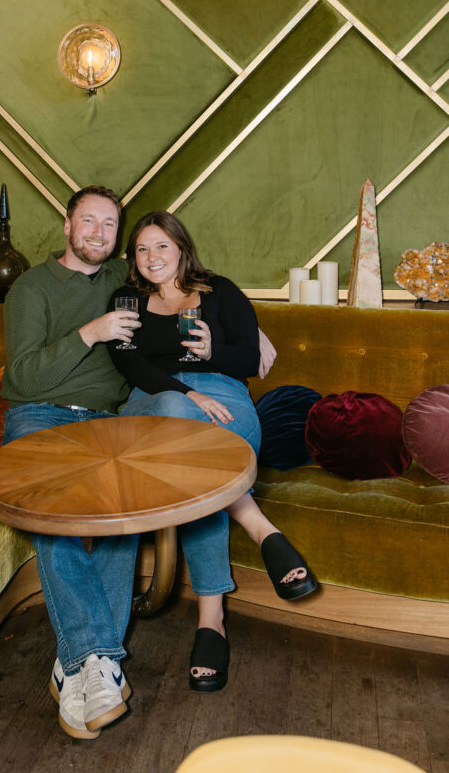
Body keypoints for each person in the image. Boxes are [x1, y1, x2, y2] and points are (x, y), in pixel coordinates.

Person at [109, 210, 317, 694]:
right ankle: (246, 555)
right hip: (154, 402)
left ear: (181, 247)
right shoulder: (125, 299)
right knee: (175, 418)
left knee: (195, 461)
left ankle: (212, 622)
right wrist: (185, 392)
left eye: (161, 246)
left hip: (225, 402)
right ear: (133, 258)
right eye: (142, 249)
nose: (152, 257)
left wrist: (210, 356)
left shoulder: (221, 291)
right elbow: (128, 363)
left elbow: (250, 359)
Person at [2, 186, 142, 741]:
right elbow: (24, 377)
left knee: (127, 514)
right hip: (39, 414)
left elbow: (187, 283)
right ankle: (100, 660)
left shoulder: (125, 282)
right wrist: (92, 332)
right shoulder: (32, 288)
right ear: (67, 226)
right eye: (89, 222)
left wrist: (249, 332)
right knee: (49, 513)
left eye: (109, 225)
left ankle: (76, 667)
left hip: (105, 421)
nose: (98, 234)